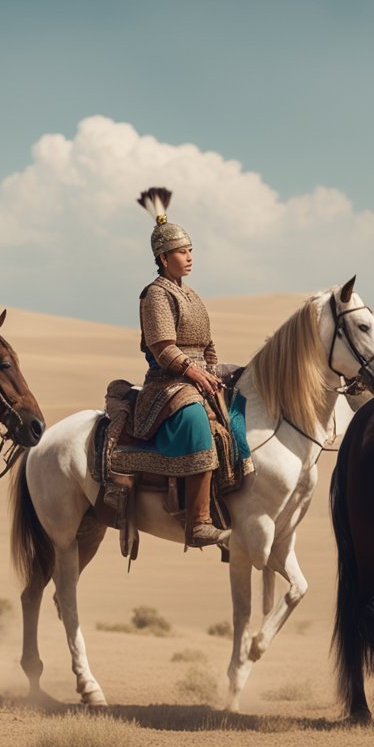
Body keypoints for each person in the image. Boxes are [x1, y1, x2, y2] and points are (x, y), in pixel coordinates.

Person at [131, 188, 229, 549]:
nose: (189, 258)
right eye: (182, 252)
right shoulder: (155, 293)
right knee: (197, 423)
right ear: (163, 256)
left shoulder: (191, 293)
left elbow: (208, 342)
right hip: (169, 384)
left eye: (191, 251)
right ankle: (199, 522)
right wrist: (194, 371)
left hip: (200, 376)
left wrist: (214, 371)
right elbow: (162, 346)